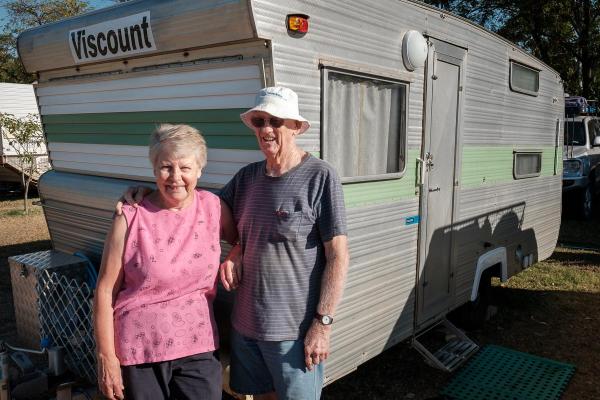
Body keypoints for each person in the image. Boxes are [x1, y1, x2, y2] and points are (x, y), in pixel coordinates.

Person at [120, 87, 350, 399]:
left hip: (294, 333)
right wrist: (147, 191)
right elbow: (195, 206)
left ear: (295, 127)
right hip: (246, 326)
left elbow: (338, 256)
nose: (266, 129)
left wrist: (322, 325)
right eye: (259, 121)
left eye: (275, 121)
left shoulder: (320, 177)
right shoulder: (246, 178)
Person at [94, 124, 237, 400]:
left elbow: (242, 240)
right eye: (165, 167)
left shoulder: (213, 207)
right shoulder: (130, 215)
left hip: (197, 343)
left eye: (185, 168)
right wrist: (106, 356)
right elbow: (105, 290)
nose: (175, 177)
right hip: (139, 349)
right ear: (153, 169)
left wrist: (236, 253)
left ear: (199, 170)